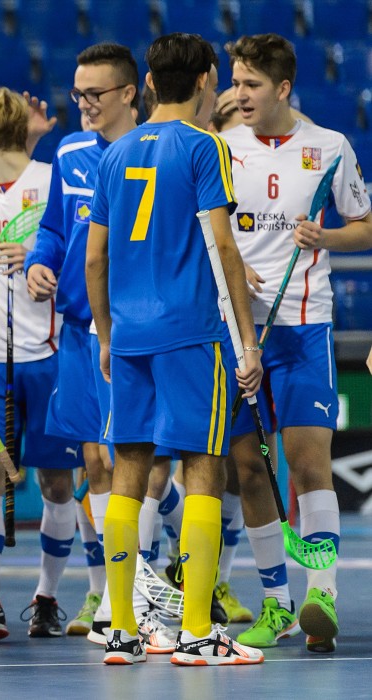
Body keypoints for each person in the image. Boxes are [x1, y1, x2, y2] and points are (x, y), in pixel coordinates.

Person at [85, 32, 263, 666]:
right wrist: (247, 341)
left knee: (129, 476)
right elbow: (223, 246)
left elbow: (96, 257)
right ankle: (195, 631)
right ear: (208, 78)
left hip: (129, 337)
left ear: (151, 83)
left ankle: (124, 630)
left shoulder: (114, 153)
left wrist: (106, 335)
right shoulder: (205, 146)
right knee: (203, 471)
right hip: (192, 334)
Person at [218, 33, 372, 655]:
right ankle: (277, 604)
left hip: (306, 325)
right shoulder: (221, 148)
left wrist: (327, 238)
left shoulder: (329, 148)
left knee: (309, 463)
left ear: (282, 89)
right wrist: (234, 270)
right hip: (237, 328)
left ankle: (322, 596)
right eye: (234, 82)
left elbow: (366, 226)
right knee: (250, 468)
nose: (239, 94)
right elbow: (209, 233)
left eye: (251, 84)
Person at [0, 86, 82, 641]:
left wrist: (40, 258)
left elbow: (87, 248)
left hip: (50, 359)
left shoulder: (55, 183)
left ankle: (47, 597)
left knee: (56, 482)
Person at [24, 42, 140, 639]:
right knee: (95, 460)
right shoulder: (67, 151)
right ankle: (110, 590)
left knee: (130, 460)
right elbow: (51, 228)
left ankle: (140, 589)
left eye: (95, 94)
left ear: (129, 93)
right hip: (73, 328)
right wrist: (39, 263)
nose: (84, 105)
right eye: (78, 94)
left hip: (127, 329)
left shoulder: (150, 152)